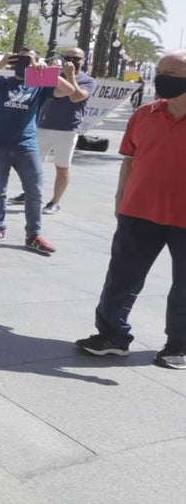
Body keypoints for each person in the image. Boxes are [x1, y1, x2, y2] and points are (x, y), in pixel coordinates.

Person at [75, 51, 186, 369]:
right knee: (121, 278)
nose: (161, 75)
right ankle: (112, 336)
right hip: (138, 213)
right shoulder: (144, 114)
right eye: (160, 69)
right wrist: (120, 199)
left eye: (171, 71)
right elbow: (129, 159)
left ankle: (179, 343)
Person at [0, 49, 63, 254]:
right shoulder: (1, 81)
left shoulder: (41, 85)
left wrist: (46, 72)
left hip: (26, 147)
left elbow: (69, 91)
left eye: (30, 58)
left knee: (35, 192)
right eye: (20, 57)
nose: (24, 61)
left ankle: (33, 235)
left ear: (37, 61)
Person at [32, 48, 95, 214]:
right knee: (32, 164)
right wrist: (37, 66)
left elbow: (76, 96)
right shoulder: (53, 75)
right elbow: (30, 83)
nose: (71, 61)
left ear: (83, 60)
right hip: (43, 125)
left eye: (76, 58)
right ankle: (29, 193)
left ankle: (55, 201)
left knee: (62, 167)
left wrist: (70, 76)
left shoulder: (88, 80)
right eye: (67, 57)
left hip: (67, 128)